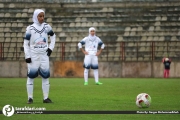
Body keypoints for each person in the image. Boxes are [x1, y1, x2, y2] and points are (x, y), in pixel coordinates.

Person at [23, 9, 56, 104]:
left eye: (43, 16)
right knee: (31, 76)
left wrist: (50, 48)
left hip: (44, 55)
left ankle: (46, 98)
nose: (42, 18)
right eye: (40, 16)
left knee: (45, 76)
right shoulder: (30, 28)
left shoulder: (46, 26)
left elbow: (53, 37)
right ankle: (30, 98)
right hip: (33, 55)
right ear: (35, 16)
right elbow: (25, 43)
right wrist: (27, 55)